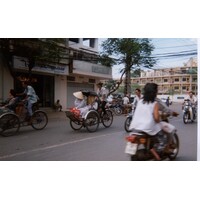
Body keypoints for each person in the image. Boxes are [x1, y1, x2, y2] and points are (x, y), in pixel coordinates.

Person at [129, 83, 176, 151]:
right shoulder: (155, 103)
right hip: (147, 128)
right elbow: (156, 119)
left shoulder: (140, 101)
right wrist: (159, 118)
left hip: (134, 127)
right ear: (154, 92)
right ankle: (157, 151)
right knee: (164, 137)